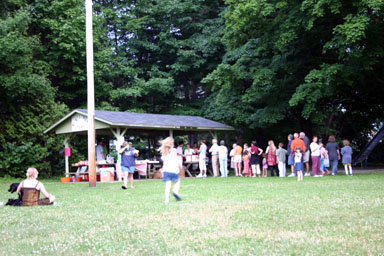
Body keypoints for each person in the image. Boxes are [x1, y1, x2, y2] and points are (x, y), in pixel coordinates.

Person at [159, 137, 182, 204]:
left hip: (166, 170)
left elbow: (163, 159)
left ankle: (166, 199)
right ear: (172, 144)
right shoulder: (174, 150)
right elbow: (176, 159)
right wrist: (180, 165)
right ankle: (175, 191)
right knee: (177, 181)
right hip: (174, 169)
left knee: (167, 185)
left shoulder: (164, 151)